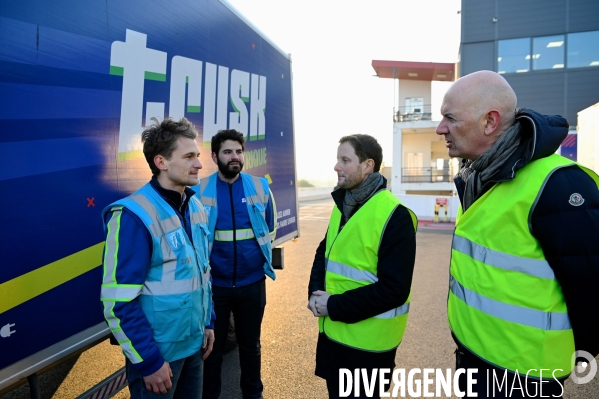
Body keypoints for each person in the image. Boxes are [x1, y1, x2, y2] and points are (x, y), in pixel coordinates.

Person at [437, 70, 599, 398]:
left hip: (524, 379)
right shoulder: (479, 177)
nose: (441, 128)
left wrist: (567, 360)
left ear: (489, 122)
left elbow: (593, 291)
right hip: (476, 361)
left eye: (450, 118)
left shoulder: (560, 186)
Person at [100, 117, 215, 399]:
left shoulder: (194, 205)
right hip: (158, 358)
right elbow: (118, 302)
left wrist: (208, 321)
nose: (199, 164)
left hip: (194, 345)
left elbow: (201, 272)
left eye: (197, 155)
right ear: (161, 162)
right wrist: (149, 362)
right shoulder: (133, 216)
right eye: (189, 156)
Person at [308, 134, 417, 399]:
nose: (337, 167)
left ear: (368, 166)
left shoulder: (395, 215)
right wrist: (314, 292)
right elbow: (325, 251)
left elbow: (394, 290)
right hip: (335, 340)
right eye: (337, 160)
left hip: (367, 352)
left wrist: (332, 305)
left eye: (345, 160)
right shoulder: (343, 204)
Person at [200, 129, 276, 399]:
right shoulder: (199, 191)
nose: (235, 157)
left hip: (251, 283)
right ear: (214, 156)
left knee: (251, 346)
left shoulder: (259, 187)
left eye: (239, 152)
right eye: (228, 152)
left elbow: (269, 228)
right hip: (215, 287)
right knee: (212, 350)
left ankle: (253, 395)